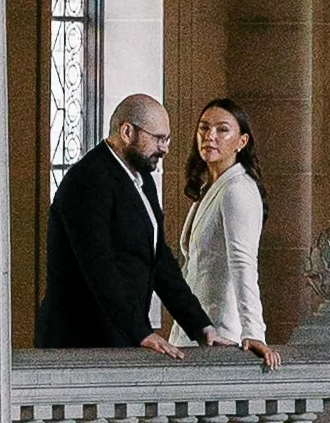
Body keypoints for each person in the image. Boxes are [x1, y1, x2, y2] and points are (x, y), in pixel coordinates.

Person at [36, 93, 228, 352]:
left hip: (119, 337)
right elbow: (99, 266)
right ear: (127, 132)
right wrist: (141, 333)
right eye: (158, 139)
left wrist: (202, 328)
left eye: (167, 139)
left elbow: (159, 260)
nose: (165, 149)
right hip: (82, 341)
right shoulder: (88, 180)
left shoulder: (141, 177)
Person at [173, 95, 278, 367]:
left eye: (222, 129)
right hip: (193, 331)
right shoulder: (210, 188)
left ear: (241, 142)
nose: (210, 136)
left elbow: (243, 263)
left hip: (221, 332)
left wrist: (254, 332)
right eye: (204, 128)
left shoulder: (237, 189)